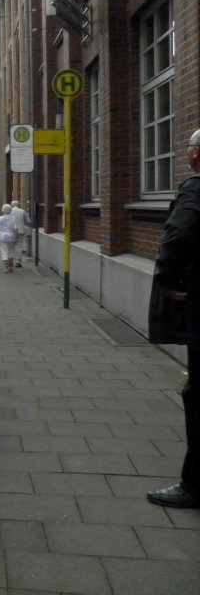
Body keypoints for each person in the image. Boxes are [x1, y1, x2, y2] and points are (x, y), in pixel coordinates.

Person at [146, 128, 200, 509]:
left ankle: (194, 485)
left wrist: (169, 281)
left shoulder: (195, 189)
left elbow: (178, 236)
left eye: (190, 150)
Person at [0, 204, 18, 273]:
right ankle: (10, 267)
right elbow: (15, 228)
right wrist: (15, 237)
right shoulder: (13, 218)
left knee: (4, 251)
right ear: (10, 210)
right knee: (11, 251)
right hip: (11, 236)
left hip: (2, 237)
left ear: (3, 210)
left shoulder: (0, 218)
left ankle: (5, 268)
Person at [10, 200, 29, 267]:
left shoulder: (9, 211)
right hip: (20, 231)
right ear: (18, 205)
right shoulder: (22, 211)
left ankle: (11, 261)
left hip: (11, 231)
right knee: (19, 246)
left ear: (12, 205)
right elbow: (27, 221)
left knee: (11, 246)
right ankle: (18, 261)